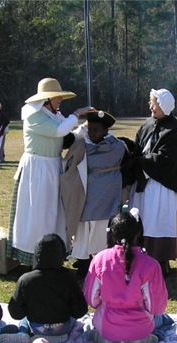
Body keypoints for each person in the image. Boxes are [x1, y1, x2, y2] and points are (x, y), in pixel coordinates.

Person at [6, 77, 94, 266]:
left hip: (52, 166)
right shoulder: (34, 116)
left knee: (53, 212)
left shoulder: (54, 115)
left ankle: (53, 255)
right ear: (46, 99)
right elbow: (61, 131)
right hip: (37, 168)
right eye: (57, 97)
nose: (60, 100)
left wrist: (83, 129)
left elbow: (66, 137)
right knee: (38, 213)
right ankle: (35, 257)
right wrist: (77, 113)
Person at [83, 210, 168, 343]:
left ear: (112, 234)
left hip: (106, 328)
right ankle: (142, 339)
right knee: (164, 320)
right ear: (138, 233)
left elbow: (91, 300)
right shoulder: (151, 265)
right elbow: (157, 307)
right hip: (140, 330)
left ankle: (108, 339)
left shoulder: (100, 259)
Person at [123, 88, 177, 275]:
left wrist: (141, 162)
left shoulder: (174, 129)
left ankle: (161, 260)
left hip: (161, 185)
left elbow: (166, 159)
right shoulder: (147, 124)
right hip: (142, 183)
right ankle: (138, 258)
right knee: (141, 219)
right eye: (151, 102)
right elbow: (138, 147)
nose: (151, 106)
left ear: (164, 106)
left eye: (154, 103)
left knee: (159, 221)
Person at [62, 111, 126, 276]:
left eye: (96, 130)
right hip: (87, 195)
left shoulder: (117, 147)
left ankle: (100, 259)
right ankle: (83, 259)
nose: (92, 133)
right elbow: (70, 161)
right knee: (83, 227)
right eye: (90, 129)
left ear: (106, 131)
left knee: (101, 228)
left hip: (106, 195)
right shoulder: (82, 146)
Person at [7, 234, 88, 343]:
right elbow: (80, 311)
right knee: (73, 320)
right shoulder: (68, 279)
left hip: (36, 328)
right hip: (61, 329)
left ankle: (22, 333)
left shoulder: (25, 279)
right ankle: (59, 336)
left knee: (24, 320)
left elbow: (16, 313)